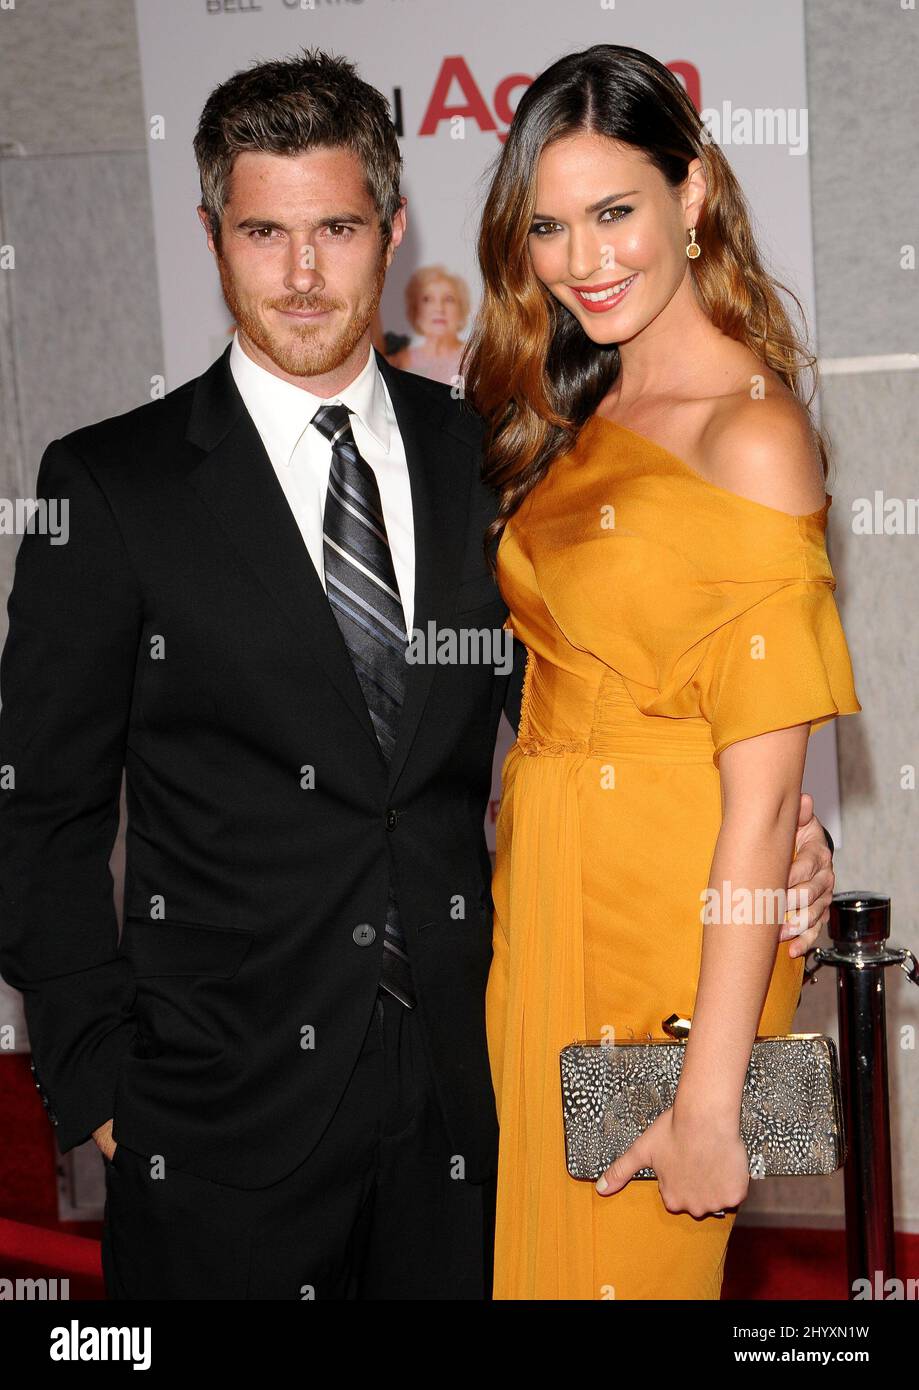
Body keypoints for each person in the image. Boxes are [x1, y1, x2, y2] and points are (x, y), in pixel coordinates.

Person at [0, 46, 834, 1302]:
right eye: (262, 231)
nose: (298, 272)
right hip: (218, 1121)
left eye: (334, 227)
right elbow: (40, 812)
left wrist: (781, 829)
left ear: (392, 231)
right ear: (211, 236)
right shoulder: (112, 486)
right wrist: (103, 1095)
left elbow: (596, 689)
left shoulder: (494, 456)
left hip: (476, 1086)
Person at [464, 44, 861, 1301]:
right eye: (549, 226)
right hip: (546, 915)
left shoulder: (752, 432)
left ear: (691, 197)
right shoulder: (582, 409)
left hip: (668, 948)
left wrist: (711, 1099)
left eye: (616, 211)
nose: (584, 259)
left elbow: (756, 807)